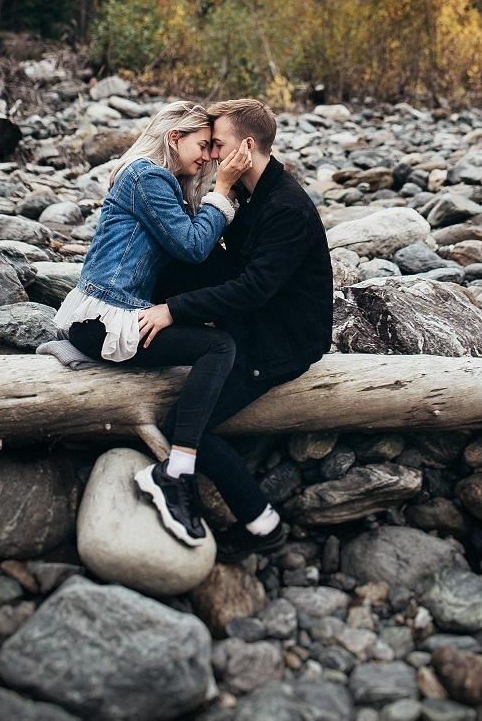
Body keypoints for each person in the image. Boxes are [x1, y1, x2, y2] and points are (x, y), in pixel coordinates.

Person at [138, 97, 334, 563]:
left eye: (217, 145)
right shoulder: (251, 191)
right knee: (184, 255)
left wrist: (174, 310)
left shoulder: (287, 207)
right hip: (254, 316)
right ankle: (124, 323)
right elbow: (222, 260)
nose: (209, 154)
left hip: (279, 341)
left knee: (182, 426)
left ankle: (262, 524)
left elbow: (254, 289)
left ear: (246, 147)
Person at [53, 101, 253, 547]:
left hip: (106, 314)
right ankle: (175, 471)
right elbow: (192, 246)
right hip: (103, 321)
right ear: (173, 138)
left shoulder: (158, 179)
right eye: (202, 146)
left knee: (211, 338)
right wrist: (222, 188)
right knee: (218, 348)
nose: (208, 156)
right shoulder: (148, 177)